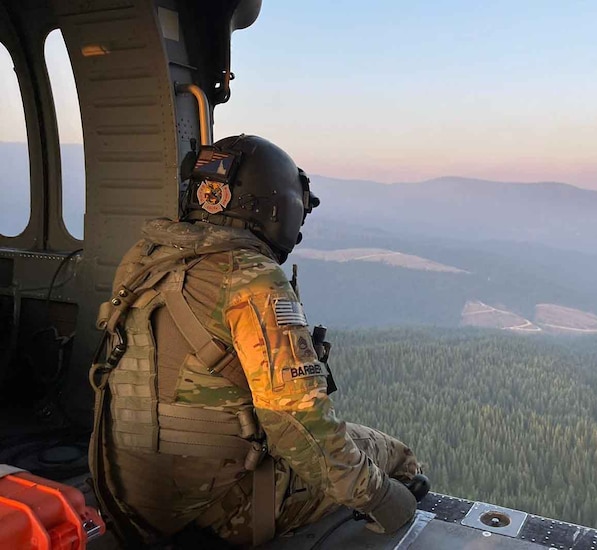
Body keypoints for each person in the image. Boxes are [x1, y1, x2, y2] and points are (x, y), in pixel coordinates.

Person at [89, 135, 423, 547]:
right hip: (207, 508)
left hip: (123, 494)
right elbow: (296, 423)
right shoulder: (250, 278)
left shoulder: (144, 259)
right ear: (276, 208)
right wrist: (383, 496)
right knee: (395, 458)